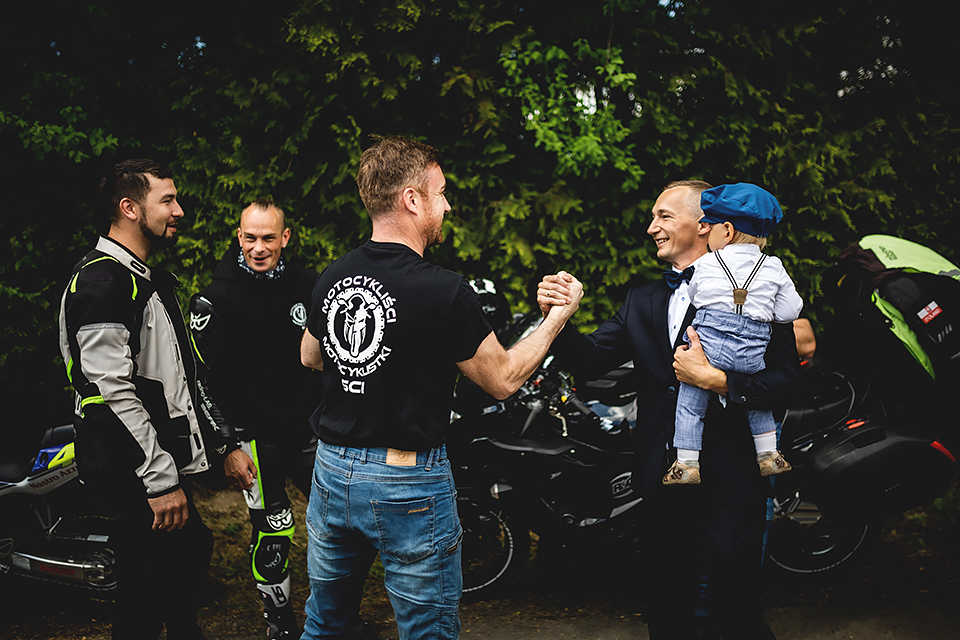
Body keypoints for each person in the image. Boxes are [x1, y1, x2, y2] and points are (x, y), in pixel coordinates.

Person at [298, 135, 583, 640]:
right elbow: (502, 379)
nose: (447, 205)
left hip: (333, 469)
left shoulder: (334, 274)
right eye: (441, 192)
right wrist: (557, 319)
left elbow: (310, 355)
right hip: (405, 482)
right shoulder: (444, 290)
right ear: (412, 199)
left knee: (324, 624)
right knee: (427, 632)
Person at [538, 180, 801, 639]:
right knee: (666, 612)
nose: (651, 227)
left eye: (663, 215)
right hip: (662, 482)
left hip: (732, 482)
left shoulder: (756, 286)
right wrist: (557, 316)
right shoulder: (642, 300)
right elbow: (590, 360)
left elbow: (786, 382)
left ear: (705, 225)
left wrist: (720, 382)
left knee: (736, 613)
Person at [58, 158, 213, 640]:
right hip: (139, 476)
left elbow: (176, 376)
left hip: (155, 467)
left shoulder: (139, 277)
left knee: (184, 569)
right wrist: (159, 479)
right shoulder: (103, 283)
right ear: (129, 208)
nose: (178, 211)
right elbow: (110, 394)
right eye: (167, 200)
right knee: (142, 609)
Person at [189, 199, 321, 639]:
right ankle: (279, 624)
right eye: (250, 238)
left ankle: (334, 617)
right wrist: (227, 445)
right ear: (239, 237)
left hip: (310, 434)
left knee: (338, 527)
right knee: (273, 533)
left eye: (268, 238)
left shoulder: (311, 286)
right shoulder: (215, 298)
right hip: (255, 442)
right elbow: (200, 380)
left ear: (285, 238)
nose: (259, 248)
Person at [664, 183, 804, 485]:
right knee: (757, 403)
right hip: (752, 350)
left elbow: (696, 296)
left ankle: (686, 464)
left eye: (710, 228)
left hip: (709, 347)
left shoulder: (708, 262)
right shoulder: (774, 266)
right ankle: (769, 454)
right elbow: (790, 311)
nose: (707, 234)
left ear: (726, 231)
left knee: (690, 404)